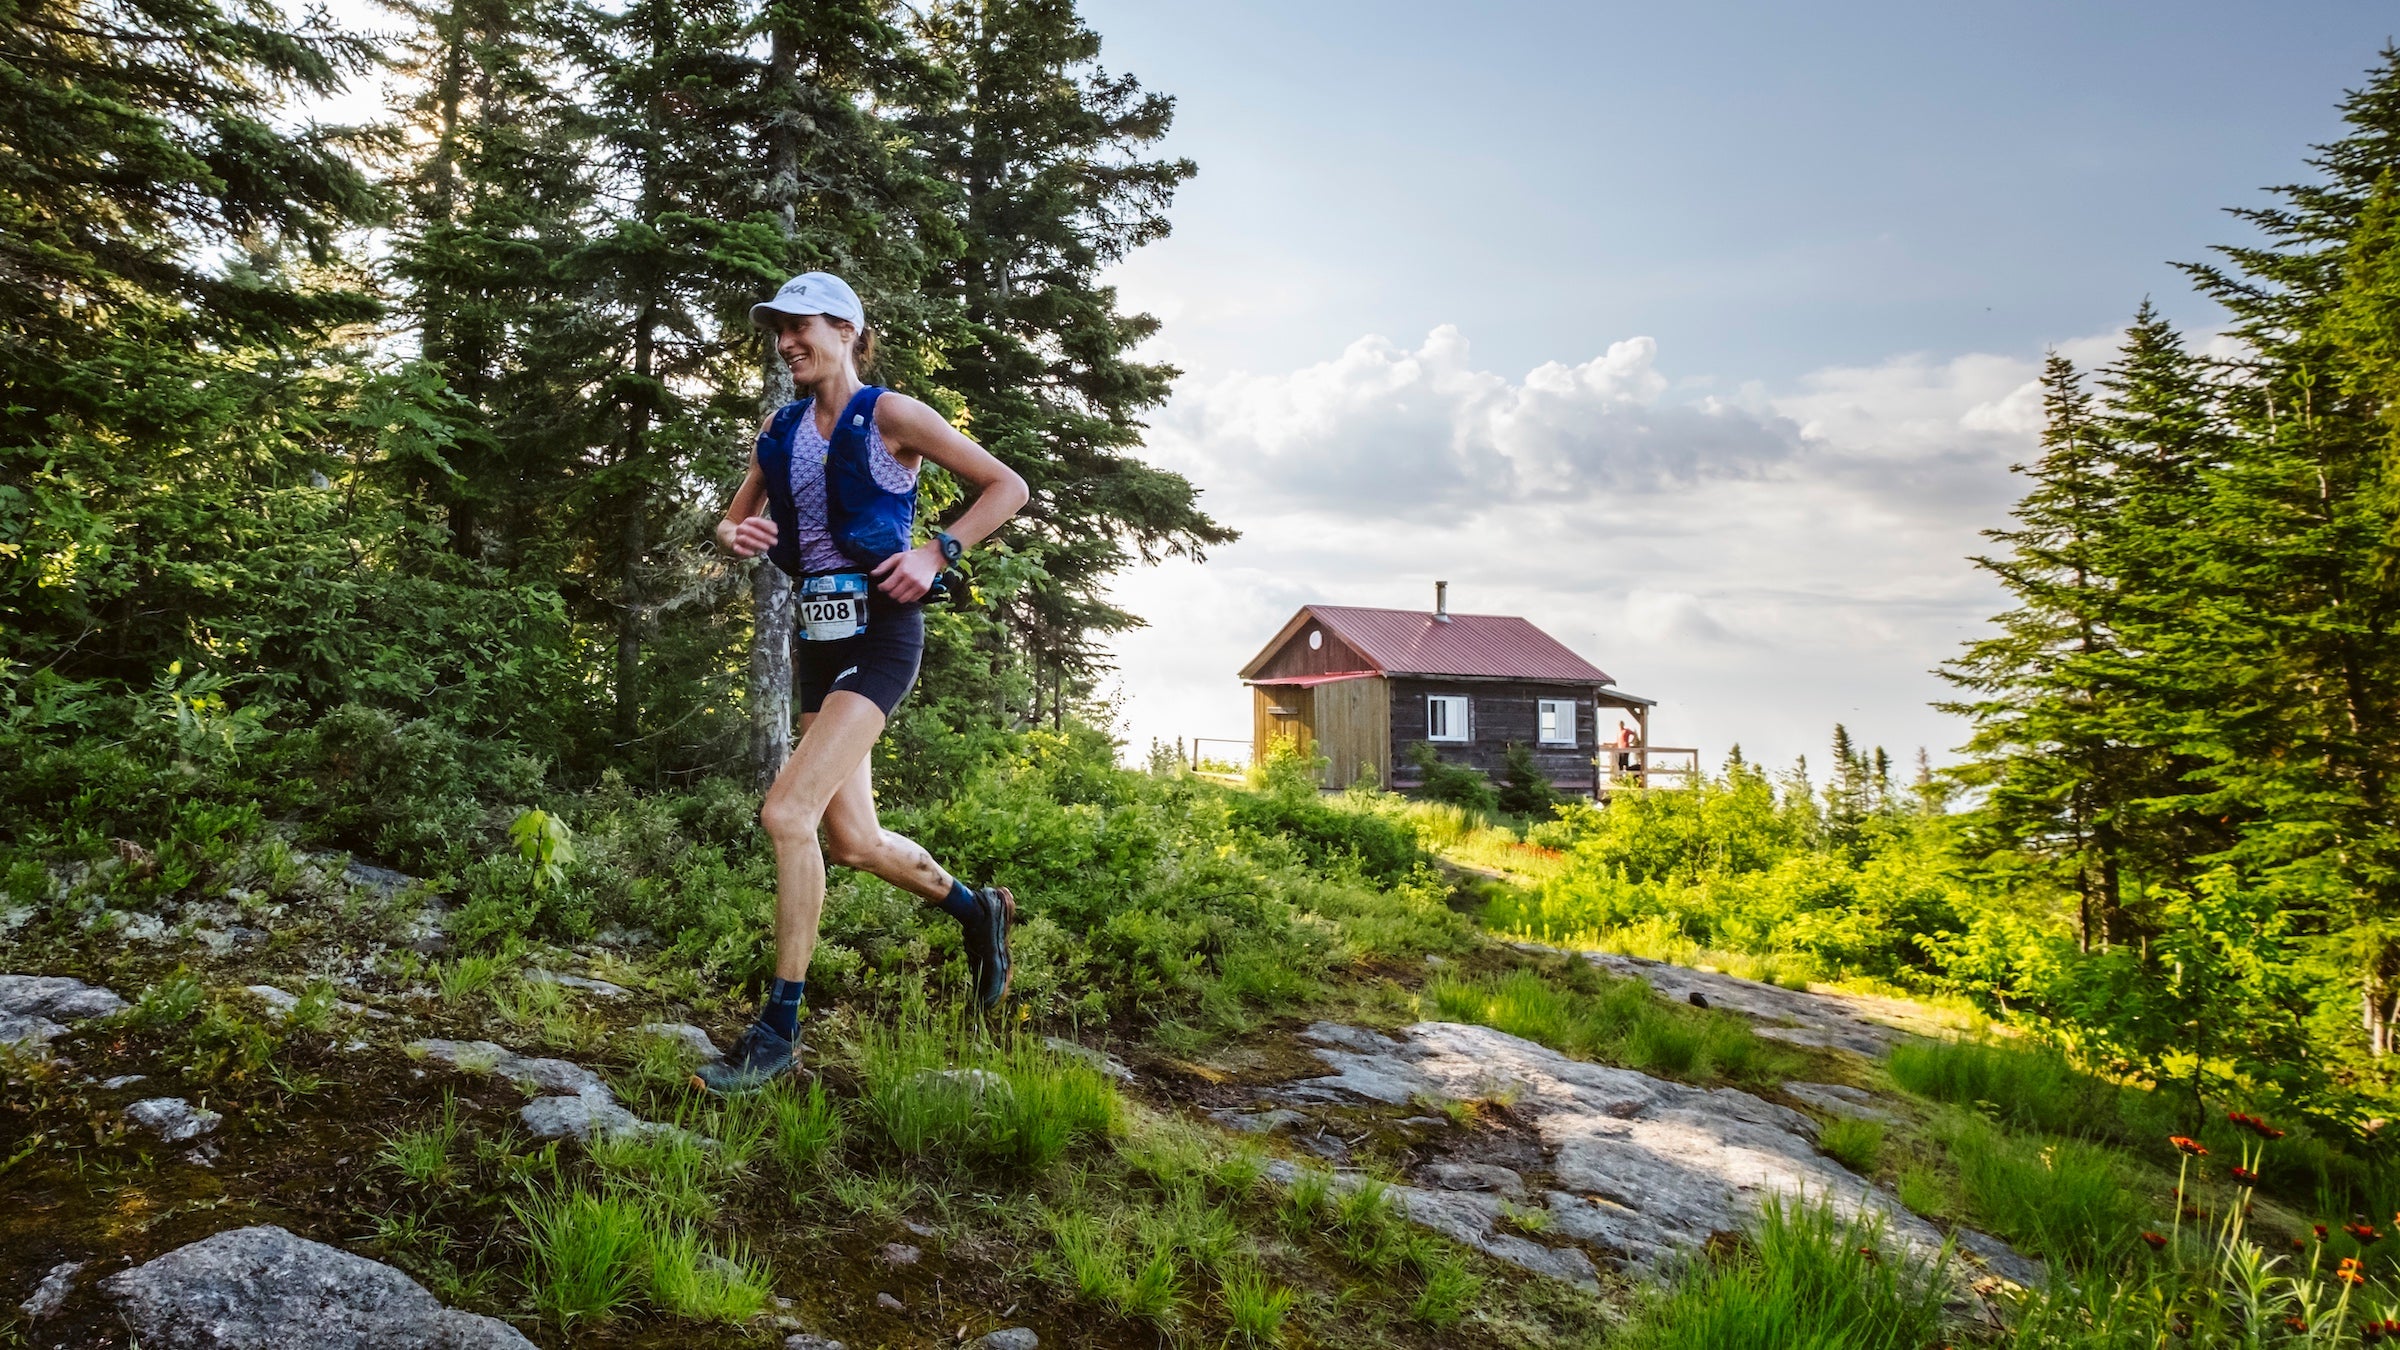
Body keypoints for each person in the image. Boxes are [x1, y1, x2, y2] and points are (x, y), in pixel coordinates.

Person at [699, 271, 1030, 1094]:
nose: (786, 342)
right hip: (818, 638)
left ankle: (780, 1028)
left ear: (846, 328)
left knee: (786, 811)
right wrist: (736, 532)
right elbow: (731, 518)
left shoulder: (891, 415)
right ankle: (977, 911)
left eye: (800, 326)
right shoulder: (777, 430)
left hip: (880, 635)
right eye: (778, 330)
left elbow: (1007, 487)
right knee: (852, 841)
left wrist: (936, 552)